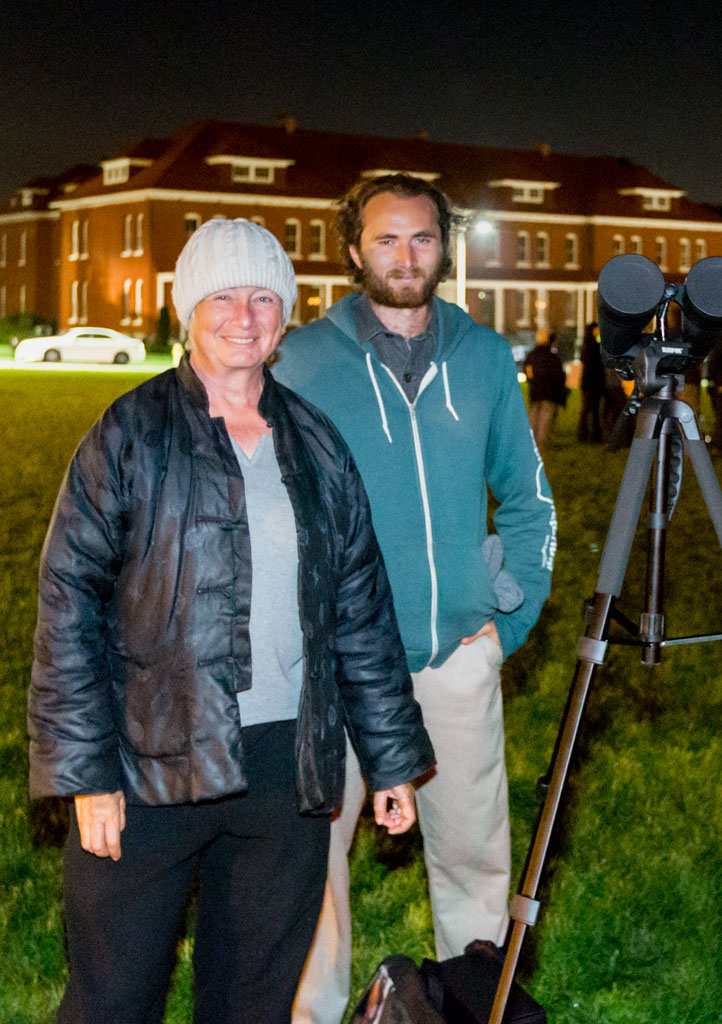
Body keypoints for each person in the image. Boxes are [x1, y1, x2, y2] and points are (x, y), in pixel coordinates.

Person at [27, 218, 435, 1024]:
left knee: (251, 1000)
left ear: (285, 314)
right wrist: (87, 775)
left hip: (286, 770)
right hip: (147, 763)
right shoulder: (128, 435)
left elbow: (360, 609)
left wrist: (391, 761)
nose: (243, 316)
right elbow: (67, 604)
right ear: (187, 309)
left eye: (262, 297)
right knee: (114, 997)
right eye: (222, 295)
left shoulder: (316, 443)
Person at [273, 174, 556, 1024]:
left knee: (475, 858)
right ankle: (313, 1013)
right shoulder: (301, 361)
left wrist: (506, 623)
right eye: (387, 239)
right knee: (312, 861)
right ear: (354, 248)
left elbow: (529, 495)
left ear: (445, 246)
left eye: (423, 238)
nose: (407, 256)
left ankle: (471, 1006)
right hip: (333, 668)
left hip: (454, 656)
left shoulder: (482, 355)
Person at [523, 326, 568, 449]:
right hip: (549, 392)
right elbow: (558, 375)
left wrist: (532, 380)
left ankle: (531, 442)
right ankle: (541, 443)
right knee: (545, 418)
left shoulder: (532, 355)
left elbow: (528, 370)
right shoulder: (552, 356)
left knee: (534, 416)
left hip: (536, 391)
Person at [577, 321, 605, 443]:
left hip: (587, 383)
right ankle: (594, 436)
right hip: (594, 383)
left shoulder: (585, 346)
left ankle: (583, 434)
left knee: (587, 409)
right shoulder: (595, 346)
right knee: (593, 410)